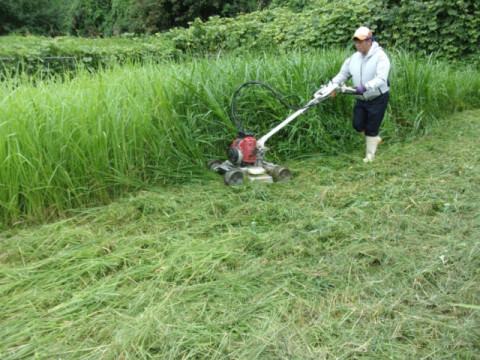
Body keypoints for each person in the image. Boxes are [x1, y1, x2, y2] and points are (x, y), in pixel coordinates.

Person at [331, 26, 390, 162]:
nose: (357, 44)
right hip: (360, 98)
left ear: (369, 41)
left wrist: (366, 87)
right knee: (357, 125)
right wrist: (331, 86)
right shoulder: (353, 59)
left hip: (378, 97)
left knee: (371, 127)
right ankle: (375, 139)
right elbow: (343, 75)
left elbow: (381, 79)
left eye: (360, 41)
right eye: (356, 42)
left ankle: (370, 156)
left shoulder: (380, 57)